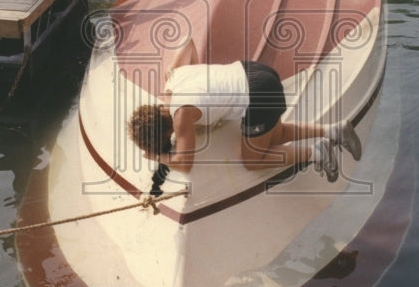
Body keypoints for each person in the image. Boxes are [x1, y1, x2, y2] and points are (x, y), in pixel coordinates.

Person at [127, 38, 362, 182]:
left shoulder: (181, 118)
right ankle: (333, 130)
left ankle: (316, 153)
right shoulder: (171, 79)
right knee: (275, 135)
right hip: (254, 71)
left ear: (165, 134)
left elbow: (184, 163)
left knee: (252, 160)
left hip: (257, 95)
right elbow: (187, 42)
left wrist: (157, 156)